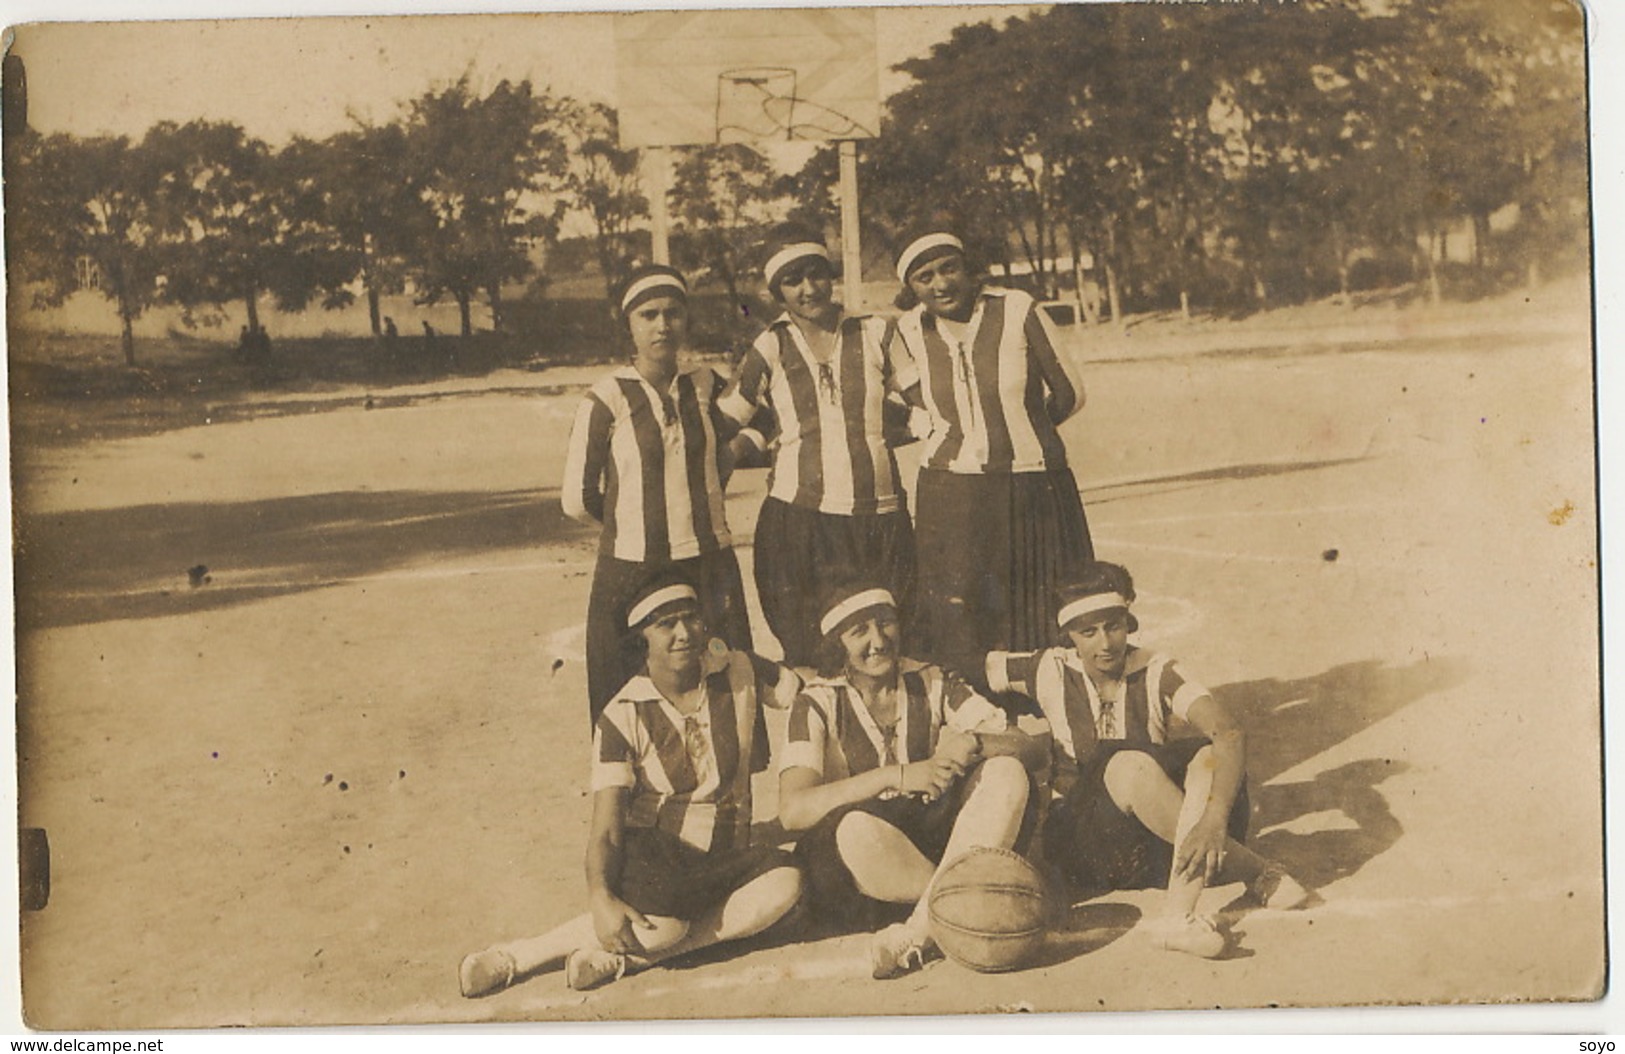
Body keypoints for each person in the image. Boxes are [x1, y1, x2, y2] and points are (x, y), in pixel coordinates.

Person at [458, 577, 804, 997]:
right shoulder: (621, 715)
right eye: (666, 624)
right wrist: (601, 896)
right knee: (663, 926)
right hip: (660, 857)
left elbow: (804, 691)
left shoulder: (739, 668)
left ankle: (634, 959)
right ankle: (518, 956)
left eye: (691, 618)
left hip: (725, 856)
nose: (684, 634)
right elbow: (606, 828)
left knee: (787, 884)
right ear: (642, 638)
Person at [984, 561, 1310, 958]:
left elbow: (1228, 733)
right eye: (1088, 632)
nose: (1105, 643)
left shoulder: (1157, 670)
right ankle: (1258, 870)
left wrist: (1213, 819)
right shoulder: (1045, 668)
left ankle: (1179, 916)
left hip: (1158, 843)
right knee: (1127, 763)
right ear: (1068, 635)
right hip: (1083, 845)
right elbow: (960, 671)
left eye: (1114, 626)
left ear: (1129, 622)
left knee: (1207, 756)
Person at [777, 580, 1034, 979]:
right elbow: (793, 810)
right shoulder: (817, 701)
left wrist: (975, 740)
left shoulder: (930, 680)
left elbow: (1029, 746)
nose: (878, 641)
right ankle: (965, 902)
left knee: (1006, 769)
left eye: (885, 623)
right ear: (835, 643)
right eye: (859, 631)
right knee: (854, 829)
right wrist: (896, 776)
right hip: (864, 871)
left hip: (921, 845)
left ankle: (917, 931)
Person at [563, 264, 764, 727]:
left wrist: (737, 451)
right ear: (627, 326)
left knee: (723, 686)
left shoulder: (708, 385)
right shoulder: (605, 398)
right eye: (648, 315)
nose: (662, 325)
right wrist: (635, 522)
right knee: (632, 704)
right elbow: (576, 498)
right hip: (634, 569)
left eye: (672, 313)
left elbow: (762, 425)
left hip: (709, 564)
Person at [889, 225, 1093, 682]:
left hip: (1032, 484)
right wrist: (940, 429)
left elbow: (1069, 392)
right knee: (965, 617)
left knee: (1043, 610)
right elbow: (899, 403)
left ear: (968, 268)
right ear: (911, 288)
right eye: (924, 277)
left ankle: (1059, 713)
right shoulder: (904, 332)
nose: (940, 283)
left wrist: (1023, 431)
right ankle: (990, 722)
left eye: (948, 268)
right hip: (950, 493)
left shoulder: (1017, 310)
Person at [718, 224, 918, 667]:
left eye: (816, 274)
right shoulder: (771, 345)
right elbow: (728, 418)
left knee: (887, 649)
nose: (809, 289)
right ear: (776, 291)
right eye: (793, 281)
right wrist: (744, 442)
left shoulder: (878, 333)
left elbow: (926, 405)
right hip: (799, 520)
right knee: (812, 655)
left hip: (879, 515)